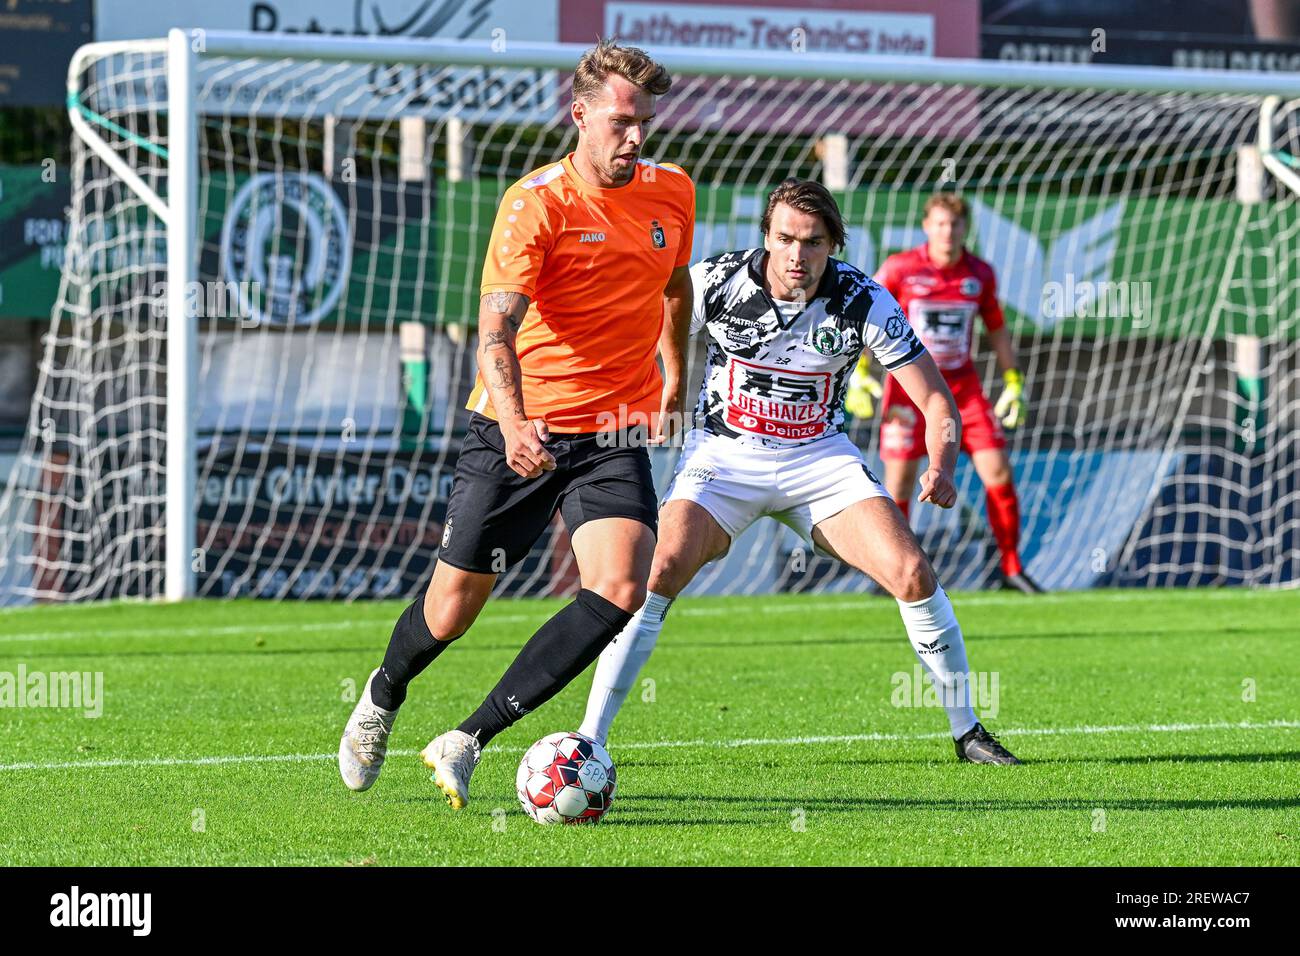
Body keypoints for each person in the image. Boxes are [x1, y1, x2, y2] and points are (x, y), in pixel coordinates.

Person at [339, 39, 697, 808]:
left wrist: (674, 377)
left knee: (621, 585)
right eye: (621, 122)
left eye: (645, 124)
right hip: (517, 432)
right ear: (581, 116)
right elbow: (495, 331)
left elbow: (674, 290)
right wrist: (515, 424)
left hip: (610, 433)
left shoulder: (673, 191)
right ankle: (384, 691)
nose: (635, 138)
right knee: (450, 611)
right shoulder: (536, 202)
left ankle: (467, 738)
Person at [579, 179, 1020, 765]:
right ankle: (589, 739)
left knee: (912, 571)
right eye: (784, 238)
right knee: (657, 568)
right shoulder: (719, 280)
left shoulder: (863, 298)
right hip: (724, 459)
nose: (796, 254)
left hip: (820, 461)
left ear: (832, 245)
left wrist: (939, 464)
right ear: (766, 236)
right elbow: (661, 312)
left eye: (812, 242)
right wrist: (674, 382)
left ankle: (968, 733)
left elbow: (937, 400)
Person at [848, 193, 1042, 593]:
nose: (947, 232)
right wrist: (861, 372)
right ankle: (892, 571)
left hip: (963, 392)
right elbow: (870, 318)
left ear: (964, 229)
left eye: (954, 225)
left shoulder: (980, 274)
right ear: (926, 226)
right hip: (909, 390)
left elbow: (997, 330)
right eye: (939, 224)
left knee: (999, 472)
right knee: (899, 482)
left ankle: (1011, 567)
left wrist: (1013, 382)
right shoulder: (901, 268)